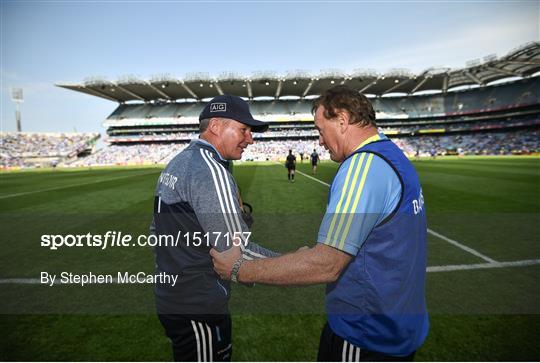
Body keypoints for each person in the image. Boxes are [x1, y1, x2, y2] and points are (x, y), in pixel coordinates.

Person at [210, 85, 429, 361]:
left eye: (320, 130)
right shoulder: (394, 156)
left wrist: (240, 269)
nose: (320, 141)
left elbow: (327, 264)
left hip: (365, 334)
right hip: (400, 328)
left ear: (342, 120)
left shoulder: (363, 167)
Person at [151, 94, 280, 362]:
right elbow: (236, 253)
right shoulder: (209, 169)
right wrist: (301, 264)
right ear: (216, 126)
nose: (250, 139)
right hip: (197, 304)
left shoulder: (179, 161)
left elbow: (156, 231)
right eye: (243, 130)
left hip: (174, 298)